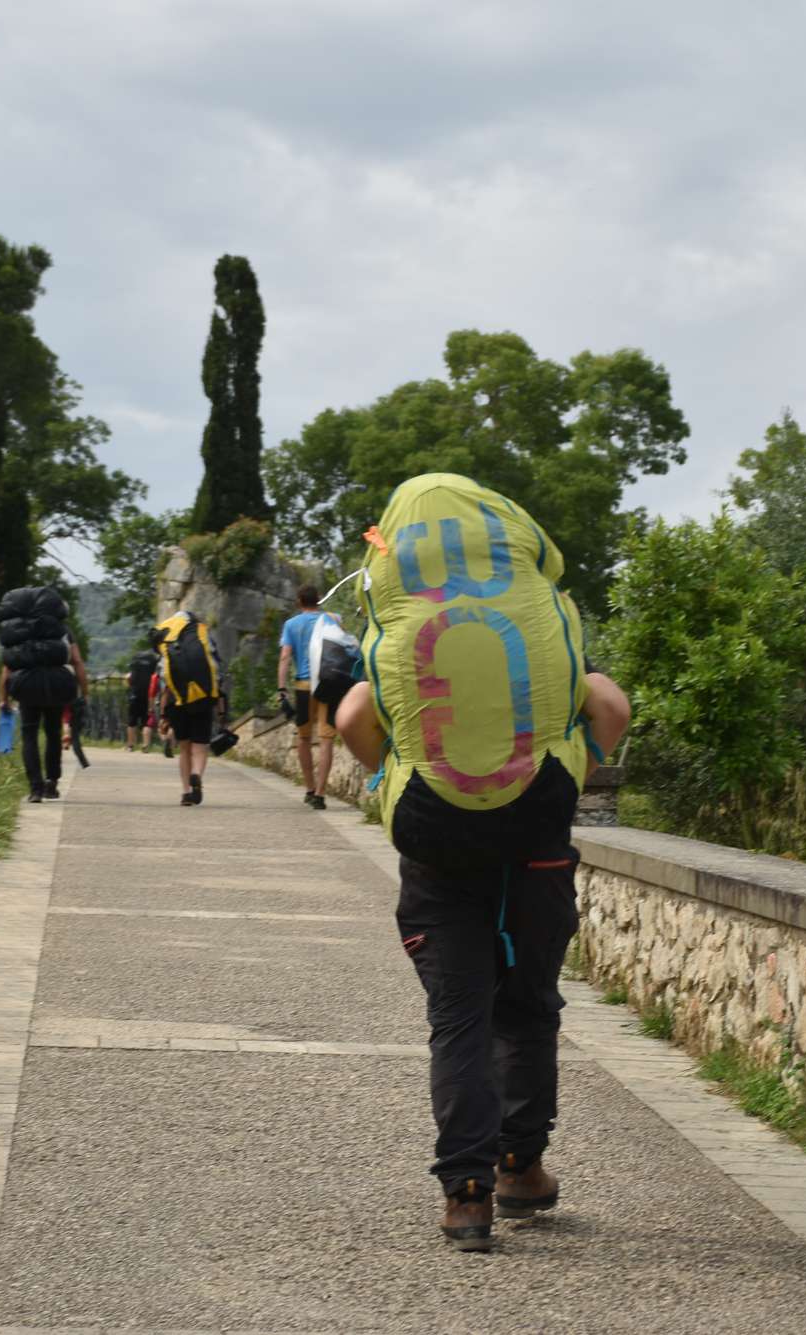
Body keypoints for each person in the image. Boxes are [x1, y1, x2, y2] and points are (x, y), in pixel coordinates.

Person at [334, 473, 631, 1253]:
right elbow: (612, 706)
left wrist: (386, 773)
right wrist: (574, 763)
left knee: (459, 1017)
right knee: (528, 1006)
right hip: (536, 845)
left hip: (438, 845)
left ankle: (466, 1196)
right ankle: (520, 1165)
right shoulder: (539, 643)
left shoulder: (408, 632)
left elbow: (352, 714)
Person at [0, 586, 88, 803]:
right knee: (53, 733)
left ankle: (35, 789)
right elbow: (76, 661)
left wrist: (3, 698)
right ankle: (51, 783)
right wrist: (84, 692)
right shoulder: (61, 630)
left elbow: (8, 666)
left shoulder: (18, 631)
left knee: (29, 734)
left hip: (26, 685)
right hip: (55, 684)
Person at [150, 611, 225, 805]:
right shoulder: (203, 637)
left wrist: (163, 715)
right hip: (203, 698)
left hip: (177, 701)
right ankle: (196, 774)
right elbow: (217, 673)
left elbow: (165, 685)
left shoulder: (167, 640)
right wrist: (221, 710)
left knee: (184, 748)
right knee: (200, 746)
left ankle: (185, 793)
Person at [277, 584, 340, 810]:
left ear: (299, 601)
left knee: (303, 738)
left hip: (304, 686)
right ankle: (321, 794)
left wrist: (281, 689)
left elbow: (285, 657)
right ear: (319, 599)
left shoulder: (291, 624)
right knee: (326, 739)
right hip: (328, 684)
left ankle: (310, 788)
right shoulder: (332, 619)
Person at [126, 646, 159, 752]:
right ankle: (145, 746)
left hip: (134, 694)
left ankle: (130, 746)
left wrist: (131, 688)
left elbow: (128, 677)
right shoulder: (154, 660)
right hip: (148, 695)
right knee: (147, 721)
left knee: (132, 721)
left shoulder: (135, 660)